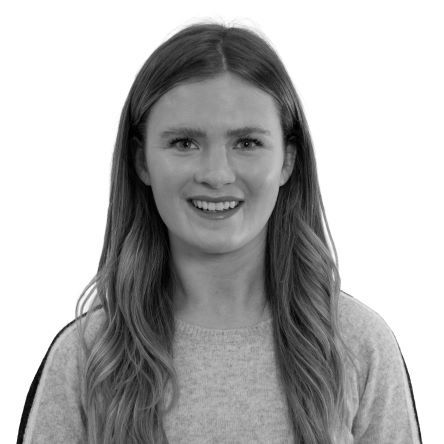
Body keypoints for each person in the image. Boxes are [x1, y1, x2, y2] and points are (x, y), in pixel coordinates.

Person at [17, 21, 422, 444]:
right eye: (184, 143)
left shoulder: (359, 346)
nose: (216, 174)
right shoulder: (86, 359)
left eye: (246, 143)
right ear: (141, 162)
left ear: (288, 161)